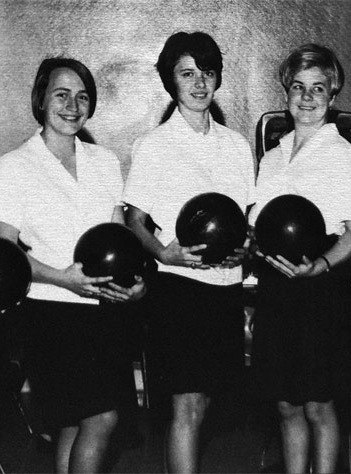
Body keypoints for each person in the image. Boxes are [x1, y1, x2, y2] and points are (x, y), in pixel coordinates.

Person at [0, 57, 146, 473]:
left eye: (82, 97)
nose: (72, 105)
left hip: (105, 310)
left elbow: (120, 241)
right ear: (40, 100)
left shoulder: (106, 161)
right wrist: (63, 279)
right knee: (101, 417)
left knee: (75, 426)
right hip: (50, 312)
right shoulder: (15, 165)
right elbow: (3, 251)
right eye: (61, 95)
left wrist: (136, 284)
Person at [122, 31, 254, 473]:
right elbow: (134, 222)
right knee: (186, 407)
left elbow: (245, 221)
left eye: (207, 72)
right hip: (179, 290)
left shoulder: (237, 145)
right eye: (187, 73)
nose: (199, 83)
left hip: (226, 288)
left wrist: (246, 251)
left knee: (207, 405)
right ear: (170, 81)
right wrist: (165, 254)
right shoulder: (154, 146)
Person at [248, 43, 351, 474]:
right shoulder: (273, 157)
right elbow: (260, 225)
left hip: (321, 288)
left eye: (318, 88)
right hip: (277, 288)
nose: (307, 97)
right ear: (286, 92)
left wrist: (322, 266)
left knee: (319, 404)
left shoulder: (348, 159)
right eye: (298, 87)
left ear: (333, 95)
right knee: (285, 404)